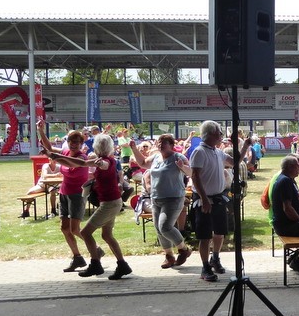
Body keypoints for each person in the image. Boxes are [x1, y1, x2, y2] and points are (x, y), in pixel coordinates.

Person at [45, 134, 132, 280]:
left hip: (110, 204)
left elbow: (84, 163)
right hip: (111, 202)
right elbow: (80, 163)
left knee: (85, 232)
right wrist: (54, 155)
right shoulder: (102, 160)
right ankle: (123, 265)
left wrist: (54, 156)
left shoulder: (106, 161)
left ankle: (95, 264)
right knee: (107, 235)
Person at [189, 121, 252, 282]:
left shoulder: (217, 152)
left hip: (218, 198)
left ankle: (215, 258)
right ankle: (205, 267)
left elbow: (235, 161)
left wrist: (245, 146)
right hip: (204, 201)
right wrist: (204, 199)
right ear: (210, 134)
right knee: (204, 236)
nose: (221, 136)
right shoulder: (199, 152)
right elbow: (195, 176)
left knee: (220, 232)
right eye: (219, 133)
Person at [37, 120, 97, 273]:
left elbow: (70, 164)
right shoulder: (64, 153)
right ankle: (77, 257)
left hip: (77, 195)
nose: (73, 144)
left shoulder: (82, 158)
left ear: (81, 143)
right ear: (67, 142)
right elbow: (49, 147)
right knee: (64, 228)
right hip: (64, 193)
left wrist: (52, 155)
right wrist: (41, 130)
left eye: (76, 142)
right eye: (71, 141)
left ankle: (96, 251)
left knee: (76, 229)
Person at [130, 134, 192, 270]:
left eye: (163, 142)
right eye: (158, 142)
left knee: (165, 227)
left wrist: (183, 167)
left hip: (174, 198)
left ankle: (183, 249)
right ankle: (169, 256)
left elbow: (191, 172)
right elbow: (142, 163)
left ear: (171, 145)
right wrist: (134, 149)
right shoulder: (156, 157)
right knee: (158, 229)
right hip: (156, 198)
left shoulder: (178, 157)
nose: (160, 144)